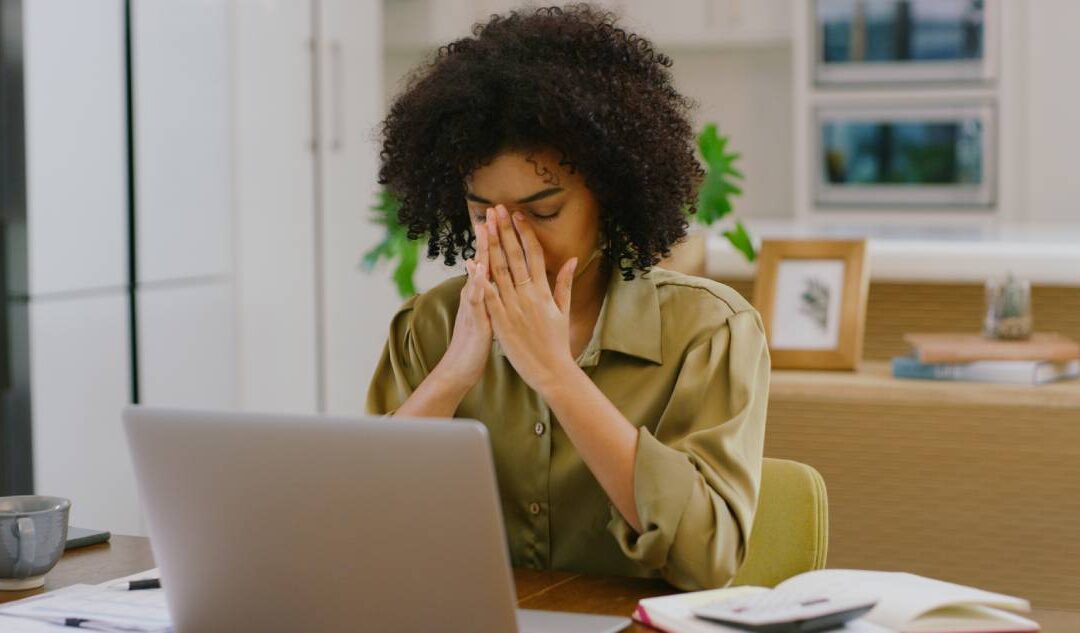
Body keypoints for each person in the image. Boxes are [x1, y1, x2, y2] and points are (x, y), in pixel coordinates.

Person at [367, 3, 769, 591]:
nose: (511, 238)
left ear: (608, 194)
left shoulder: (710, 331)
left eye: (544, 211)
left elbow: (707, 558)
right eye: (484, 214)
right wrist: (452, 376)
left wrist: (556, 374)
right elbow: (362, 529)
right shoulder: (428, 325)